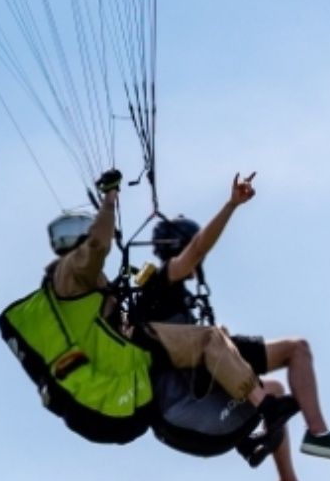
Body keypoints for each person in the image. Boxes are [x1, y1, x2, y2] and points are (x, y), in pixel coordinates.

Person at [136, 172, 330, 481]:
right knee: (263, 380)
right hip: (185, 413)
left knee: (291, 357)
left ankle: (300, 466)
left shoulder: (180, 302)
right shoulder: (162, 285)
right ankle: (288, 430)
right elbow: (197, 250)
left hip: (201, 398)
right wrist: (231, 206)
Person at [48, 169, 299, 459]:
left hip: (180, 413)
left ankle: (251, 441)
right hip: (173, 408)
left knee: (226, 349)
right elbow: (101, 245)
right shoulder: (75, 272)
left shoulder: (83, 286)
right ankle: (267, 407)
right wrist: (110, 198)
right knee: (210, 339)